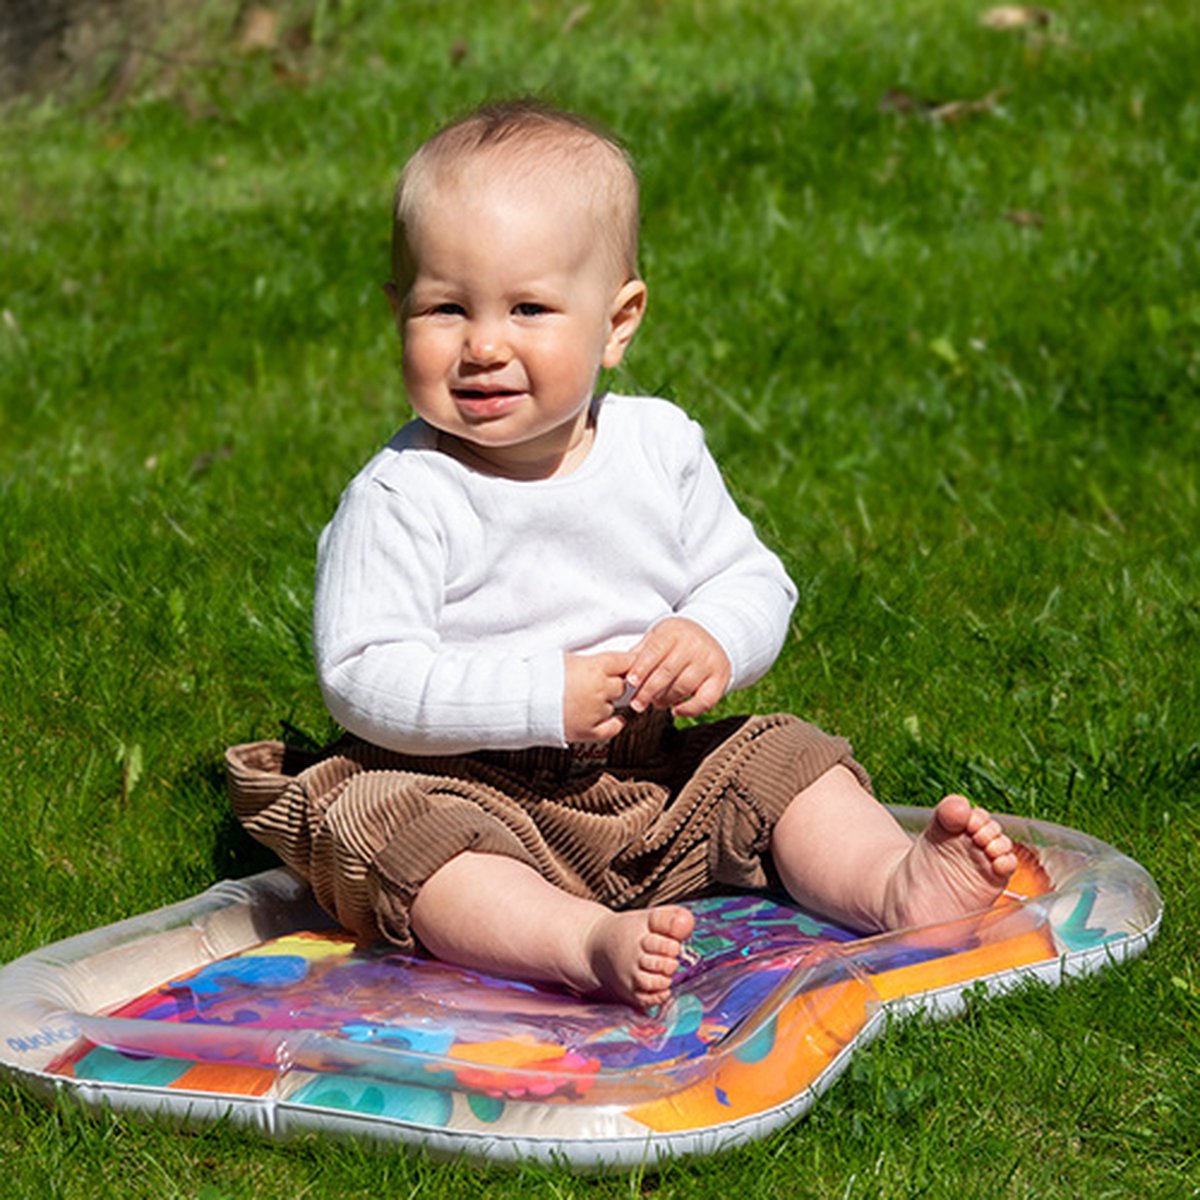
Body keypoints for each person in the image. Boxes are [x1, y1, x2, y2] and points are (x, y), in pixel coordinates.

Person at [226, 100, 1017, 1011]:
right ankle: (581, 941)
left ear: (618, 322)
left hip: (646, 774)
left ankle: (892, 884)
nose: (484, 344)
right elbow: (363, 675)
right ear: (398, 310)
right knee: (388, 834)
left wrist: (712, 635)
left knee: (786, 759)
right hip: (463, 786)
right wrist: (539, 697)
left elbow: (752, 578)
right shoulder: (404, 493)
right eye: (446, 308)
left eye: (528, 308)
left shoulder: (659, 447)